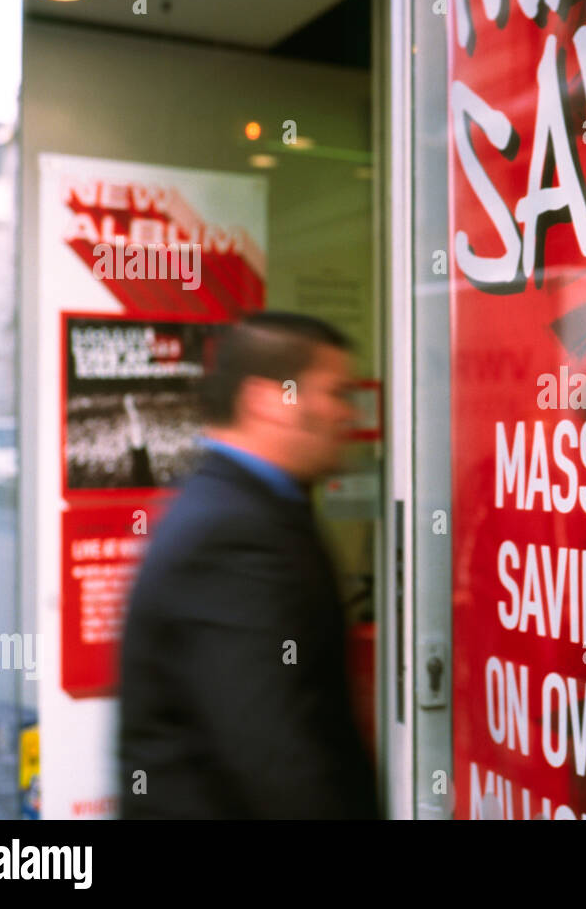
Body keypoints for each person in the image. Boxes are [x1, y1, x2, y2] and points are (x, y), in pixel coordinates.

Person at [118, 311, 377, 819]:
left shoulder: (249, 506)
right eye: (336, 393)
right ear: (270, 401)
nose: (349, 414)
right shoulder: (232, 537)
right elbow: (275, 756)